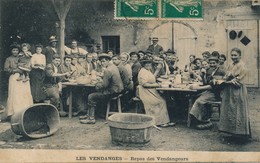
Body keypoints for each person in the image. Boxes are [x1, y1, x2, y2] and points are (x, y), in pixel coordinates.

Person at [80, 53, 123, 124]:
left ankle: (91, 118)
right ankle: (90, 114)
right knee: (94, 92)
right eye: (101, 61)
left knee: (91, 96)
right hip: (118, 90)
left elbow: (104, 85)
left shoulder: (108, 70)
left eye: (104, 61)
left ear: (108, 61)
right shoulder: (114, 67)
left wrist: (97, 83)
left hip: (112, 92)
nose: (102, 63)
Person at [218, 48, 251, 139]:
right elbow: (226, 76)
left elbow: (238, 81)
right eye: (232, 55)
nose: (233, 57)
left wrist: (225, 82)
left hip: (238, 91)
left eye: (235, 55)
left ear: (240, 55)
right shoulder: (230, 65)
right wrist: (225, 79)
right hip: (229, 91)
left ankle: (240, 133)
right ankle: (230, 131)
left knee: (238, 110)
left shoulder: (242, 66)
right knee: (229, 110)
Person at [189, 56, 226, 129]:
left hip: (218, 93)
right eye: (210, 63)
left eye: (214, 63)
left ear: (218, 63)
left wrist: (198, 87)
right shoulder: (210, 71)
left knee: (199, 101)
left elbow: (212, 86)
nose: (212, 65)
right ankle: (200, 119)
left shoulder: (220, 72)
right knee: (193, 96)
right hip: (211, 92)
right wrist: (203, 75)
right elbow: (206, 82)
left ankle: (205, 121)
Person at [137, 57, 172, 127]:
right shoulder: (143, 72)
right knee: (161, 101)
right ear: (143, 65)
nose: (148, 65)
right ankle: (159, 122)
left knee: (163, 99)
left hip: (150, 91)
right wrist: (156, 85)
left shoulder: (147, 70)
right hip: (145, 92)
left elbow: (152, 78)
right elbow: (144, 84)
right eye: (146, 64)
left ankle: (162, 121)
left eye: (149, 63)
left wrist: (157, 70)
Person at [4, 43, 33, 118]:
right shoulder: (8, 59)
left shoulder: (22, 56)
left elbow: (28, 64)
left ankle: (25, 112)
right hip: (14, 77)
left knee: (24, 94)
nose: (15, 52)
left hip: (23, 77)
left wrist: (25, 70)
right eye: (13, 50)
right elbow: (6, 69)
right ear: (11, 51)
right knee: (15, 94)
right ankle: (13, 112)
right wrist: (16, 70)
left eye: (16, 50)